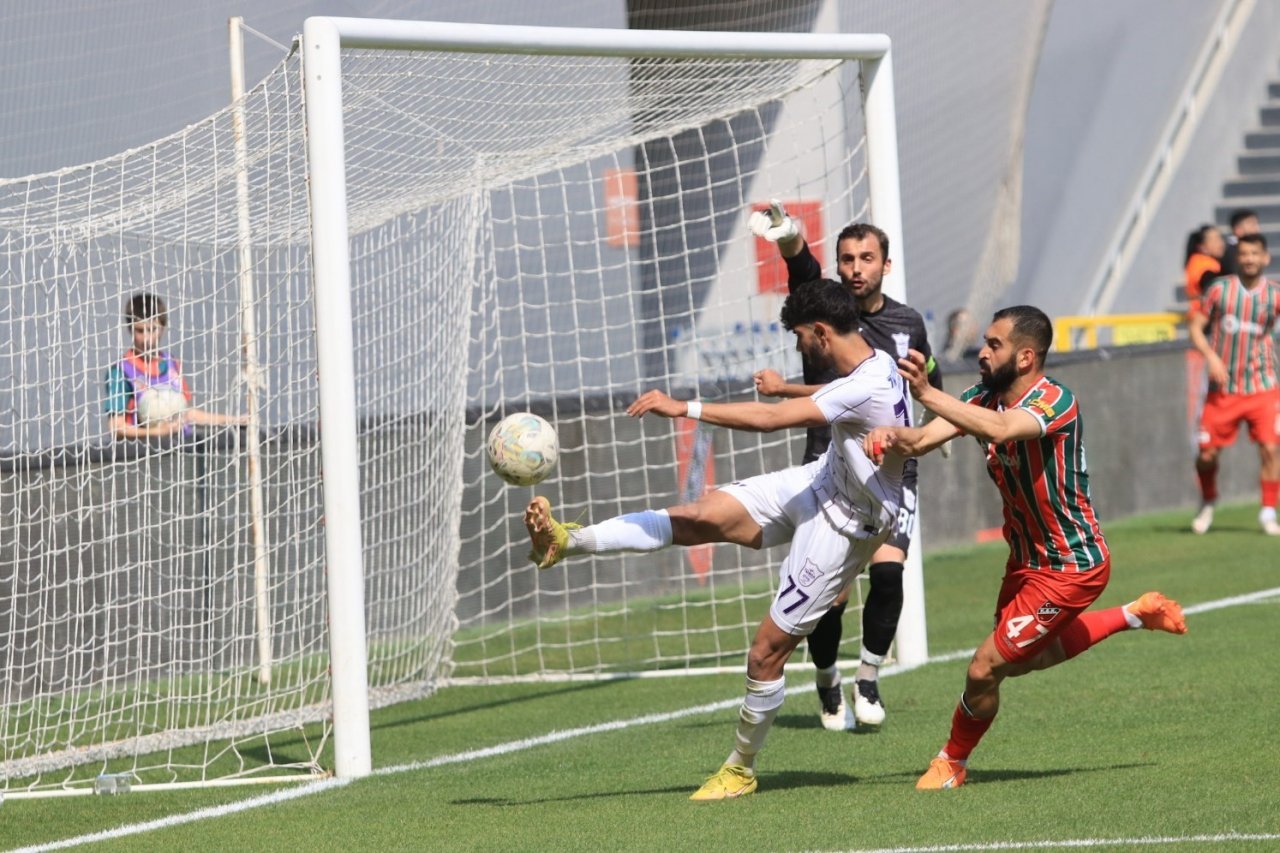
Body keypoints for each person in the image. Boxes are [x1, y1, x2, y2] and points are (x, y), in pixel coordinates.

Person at [523, 280, 911, 800]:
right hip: (822, 480)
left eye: (799, 337)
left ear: (820, 332)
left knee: (764, 657)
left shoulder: (866, 383)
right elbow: (821, 401)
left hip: (844, 527)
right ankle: (567, 542)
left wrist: (685, 408)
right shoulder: (871, 363)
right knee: (697, 516)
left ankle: (740, 768)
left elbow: (773, 420)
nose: (798, 347)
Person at [863, 305, 1188, 790]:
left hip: (1072, 564)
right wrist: (893, 436)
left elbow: (999, 430)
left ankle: (951, 761)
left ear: (1026, 357)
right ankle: (1135, 614)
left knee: (984, 667)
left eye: (994, 345)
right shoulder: (982, 397)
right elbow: (924, 439)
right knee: (1023, 660)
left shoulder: (1055, 400)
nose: (982, 351)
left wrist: (930, 394)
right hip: (1026, 561)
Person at [748, 201, 941, 731]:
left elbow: (931, 385)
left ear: (886, 264)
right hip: (826, 465)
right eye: (848, 258)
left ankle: (869, 676)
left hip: (892, 466)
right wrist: (788, 232)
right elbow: (799, 263)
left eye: (867, 258)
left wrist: (933, 425)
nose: (856, 268)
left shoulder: (908, 323)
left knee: (888, 572)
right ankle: (828, 678)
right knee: (829, 596)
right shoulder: (825, 308)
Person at [1186, 233, 1280, 536]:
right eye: (1244, 254)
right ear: (1237, 258)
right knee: (1206, 455)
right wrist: (1211, 357)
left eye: (1255, 253)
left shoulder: (1275, 295)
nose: (1249, 259)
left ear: (1265, 258)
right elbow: (1196, 328)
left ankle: (1268, 511)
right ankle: (1209, 498)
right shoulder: (1219, 291)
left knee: (1269, 447)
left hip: (1262, 385)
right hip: (1223, 388)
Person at [105, 292, 248, 441]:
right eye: (140, 331)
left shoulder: (171, 362)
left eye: (152, 329)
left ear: (162, 327)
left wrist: (232, 420)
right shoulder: (121, 371)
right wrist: (156, 432)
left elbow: (187, 414)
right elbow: (116, 427)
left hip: (179, 454)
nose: (146, 338)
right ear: (130, 329)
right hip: (145, 457)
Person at [1183, 224, 1225, 315]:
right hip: (1205, 316)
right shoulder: (1206, 266)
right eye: (1215, 240)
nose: (1221, 244)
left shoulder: (1195, 261)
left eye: (1220, 238)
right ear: (1202, 247)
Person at [1218, 208, 1261, 277]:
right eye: (1252, 225)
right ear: (1238, 230)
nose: (1257, 229)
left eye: (1256, 224)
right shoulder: (1231, 252)